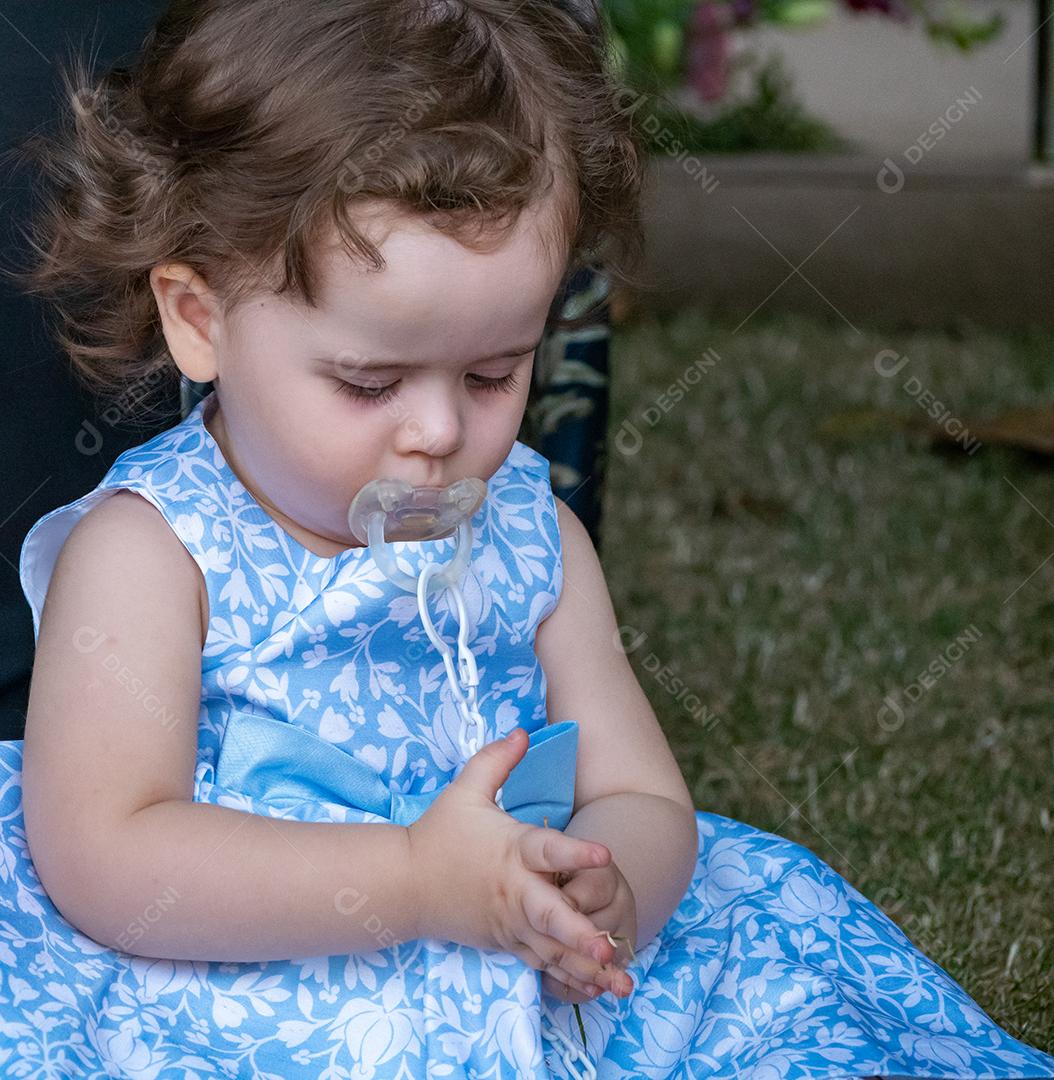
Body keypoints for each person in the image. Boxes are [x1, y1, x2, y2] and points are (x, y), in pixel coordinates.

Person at [1, 3, 1051, 1078]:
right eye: (368, 381)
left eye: (497, 370)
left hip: (513, 966)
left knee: (783, 1006)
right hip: (252, 983)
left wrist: (608, 892)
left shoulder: (525, 530)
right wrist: (412, 879)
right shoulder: (155, 553)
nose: (442, 432)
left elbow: (640, 793)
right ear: (199, 318)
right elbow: (105, 850)